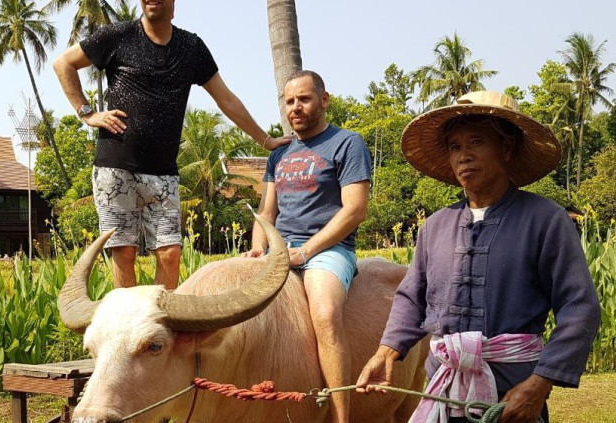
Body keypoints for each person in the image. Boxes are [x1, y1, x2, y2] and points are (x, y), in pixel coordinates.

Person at [355, 91, 601, 423]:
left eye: (477, 142)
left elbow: (580, 308)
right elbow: (412, 298)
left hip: (514, 392)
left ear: (507, 149)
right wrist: (387, 352)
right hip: (444, 388)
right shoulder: (436, 226)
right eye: (455, 147)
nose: (464, 156)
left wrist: (539, 384)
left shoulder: (545, 220)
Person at [53, 0, 289, 290]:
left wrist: (265, 139)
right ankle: (130, 319)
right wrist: (88, 113)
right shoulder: (118, 36)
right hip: (116, 168)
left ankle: (163, 317)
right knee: (124, 253)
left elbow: (226, 99)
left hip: (163, 171)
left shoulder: (191, 47)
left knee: (170, 253)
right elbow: (63, 63)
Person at [245, 70, 372, 423]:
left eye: (304, 98)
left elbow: (355, 210)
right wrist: (257, 248)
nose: (295, 108)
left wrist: (306, 251)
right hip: (279, 250)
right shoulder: (279, 154)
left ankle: (340, 417)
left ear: (324, 100)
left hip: (328, 251)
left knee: (325, 315)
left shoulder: (347, 143)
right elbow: (266, 212)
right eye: (289, 101)